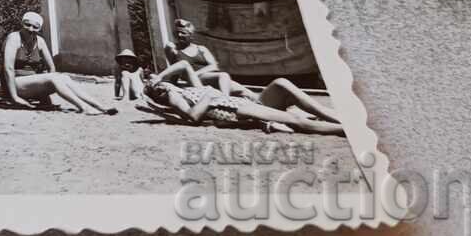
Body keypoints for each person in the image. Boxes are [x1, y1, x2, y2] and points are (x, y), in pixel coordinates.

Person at [140, 63, 343, 135]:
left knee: (281, 82)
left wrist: (160, 76)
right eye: (151, 81)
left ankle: (335, 117)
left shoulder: (184, 90)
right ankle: (344, 129)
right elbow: (193, 118)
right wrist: (210, 94)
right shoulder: (174, 96)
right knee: (299, 121)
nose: (155, 78)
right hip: (234, 109)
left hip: (240, 104)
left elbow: (184, 64)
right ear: (158, 90)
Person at [0, 12, 117, 114]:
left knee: (63, 77)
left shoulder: (40, 41)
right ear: (22, 23)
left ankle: (99, 106)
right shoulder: (14, 38)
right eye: (27, 25)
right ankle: (84, 107)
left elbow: (51, 67)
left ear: (39, 28)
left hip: (31, 84)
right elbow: (8, 68)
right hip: (13, 84)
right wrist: (14, 97)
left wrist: (44, 93)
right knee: (54, 78)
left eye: (35, 27)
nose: (30, 29)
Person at [161, 18, 251, 97]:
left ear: (190, 35)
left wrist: (196, 73)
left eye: (183, 33)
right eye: (177, 32)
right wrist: (173, 84)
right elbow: (174, 68)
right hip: (195, 81)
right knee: (224, 75)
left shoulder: (201, 49)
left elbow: (214, 66)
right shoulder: (174, 49)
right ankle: (225, 100)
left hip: (210, 77)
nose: (179, 35)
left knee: (245, 92)